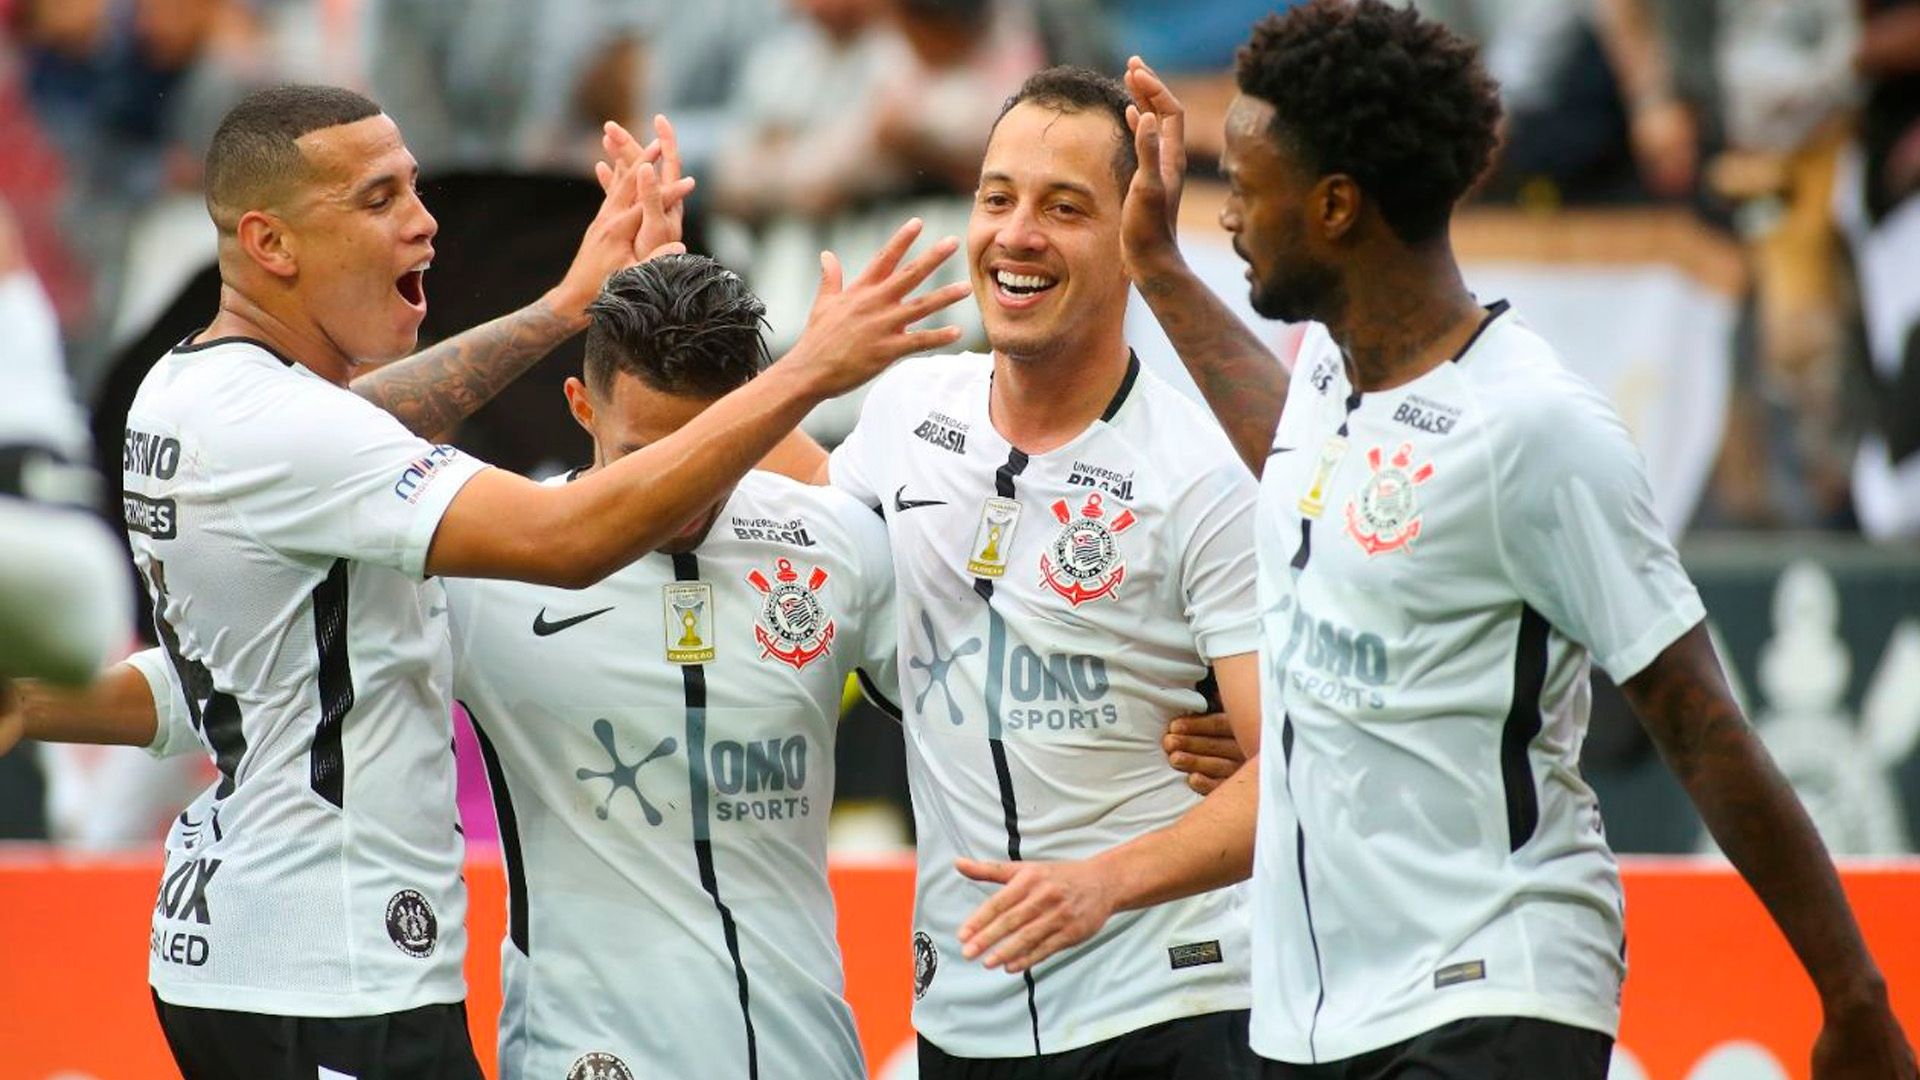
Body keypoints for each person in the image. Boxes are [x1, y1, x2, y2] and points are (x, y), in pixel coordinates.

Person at [956, 4, 1920, 1079]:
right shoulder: (1332, 372)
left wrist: (1854, 993)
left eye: (1248, 186)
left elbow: (1703, 726)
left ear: (1334, 207)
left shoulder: (1535, 429)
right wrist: (1163, 274)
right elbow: (1310, 463)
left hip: (1491, 989)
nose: (1226, 216)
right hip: (1311, 1014)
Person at [0, 83, 967, 1080]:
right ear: (580, 412)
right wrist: (801, 376)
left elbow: (237, 665)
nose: (424, 222)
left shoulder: (216, 407)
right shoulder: (491, 554)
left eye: (412, 189)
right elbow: (563, 536)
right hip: (349, 986)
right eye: (378, 199)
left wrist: (31, 697)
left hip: (341, 975)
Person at [768, 66, 1267, 1078]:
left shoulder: (1203, 473)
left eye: (1064, 206)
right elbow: (816, 508)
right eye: (997, 197)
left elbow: (1296, 779)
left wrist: (1103, 884)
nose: (1016, 233)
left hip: (1170, 1006)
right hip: (964, 1014)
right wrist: (783, 368)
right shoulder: (911, 410)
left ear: (1134, 234)